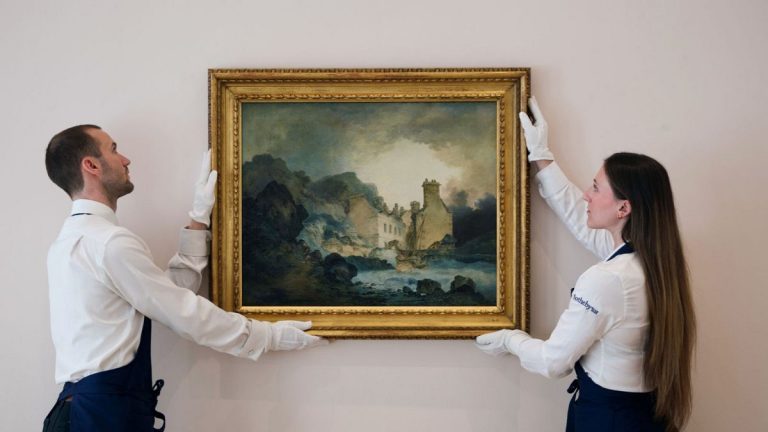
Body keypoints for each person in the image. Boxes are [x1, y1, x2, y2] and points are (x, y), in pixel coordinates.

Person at [42, 125, 327, 432]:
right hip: (99, 418)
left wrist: (198, 219)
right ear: (91, 165)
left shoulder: (70, 241)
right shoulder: (109, 243)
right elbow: (182, 312)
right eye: (113, 149)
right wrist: (267, 336)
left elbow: (165, 295)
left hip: (83, 412)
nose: (125, 159)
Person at [475, 98, 696, 432]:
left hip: (607, 422)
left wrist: (511, 340)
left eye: (595, 188)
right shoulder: (655, 264)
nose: (586, 195)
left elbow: (553, 361)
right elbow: (578, 216)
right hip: (645, 417)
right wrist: (541, 155)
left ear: (623, 208)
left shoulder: (608, 279)